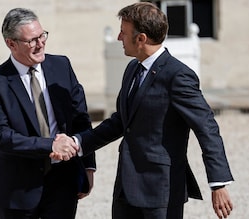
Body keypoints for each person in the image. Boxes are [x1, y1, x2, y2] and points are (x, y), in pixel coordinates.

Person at [53, 2, 234, 219]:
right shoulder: (132, 69)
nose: (119, 37)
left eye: (123, 32)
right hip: (125, 188)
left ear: (141, 39)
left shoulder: (178, 76)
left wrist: (218, 183)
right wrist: (78, 143)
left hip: (160, 192)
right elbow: (121, 122)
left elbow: (207, 128)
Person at [0, 8, 95, 219]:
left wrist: (88, 166)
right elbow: (1, 137)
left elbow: (81, 119)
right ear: (11, 43)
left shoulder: (62, 65)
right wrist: (50, 145)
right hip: (18, 187)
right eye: (32, 40)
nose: (41, 43)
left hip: (64, 182)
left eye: (42, 35)